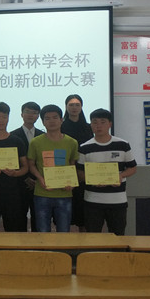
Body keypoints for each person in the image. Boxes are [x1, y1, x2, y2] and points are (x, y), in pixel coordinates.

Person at [77, 108, 137, 235]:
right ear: (91, 125)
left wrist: (121, 176)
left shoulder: (123, 144)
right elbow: (80, 173)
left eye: (103, 122)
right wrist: (92, 180)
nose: (98, 126)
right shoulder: (84, 147)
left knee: (118, 237)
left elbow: (132, 168)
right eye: (95, 122)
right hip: (92, 201)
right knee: (92, 238)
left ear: (110, 124)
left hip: (117, 201)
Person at [27, 105, 79, 232]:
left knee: (64, 231)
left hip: (64, 193)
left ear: (61, 120)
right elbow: (31, 164)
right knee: (43, 231)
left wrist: (71, 182)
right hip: (42, 193)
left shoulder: (72, 142)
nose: (51, 121)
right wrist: (40, 178)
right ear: (43, 122)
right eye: (47, 118)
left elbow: (72, 165)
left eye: (55, 117)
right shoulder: (35, 142)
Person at [0, 102, 29, 232]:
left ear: (8, 118)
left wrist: (15, 173)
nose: (1, 120)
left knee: (13, 230)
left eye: (4, 117)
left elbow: (25, 167)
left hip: (12, 193)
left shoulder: (17, 141)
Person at [61, 94, 94, 231]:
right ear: (66, 107)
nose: (74, 108)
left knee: (83, 209)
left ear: (81, 107)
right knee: (64, 211)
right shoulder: (60, 126)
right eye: (71, 105)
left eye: (77, 105)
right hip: (64, 171)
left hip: (83, 172)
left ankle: (84, 238)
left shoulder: (88, 127)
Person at [11, 102, 44, 232]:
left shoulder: (44, 136)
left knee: (39, 218)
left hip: (39, 184)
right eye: (27, 112)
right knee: (19, 217)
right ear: (21, 114)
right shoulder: (12, 135)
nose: (31, 115)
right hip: (19, 183)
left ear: (38, 116)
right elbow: (12, 161)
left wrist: (36, 179)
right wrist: (25, 178)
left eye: (34, 113)